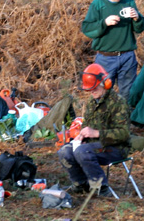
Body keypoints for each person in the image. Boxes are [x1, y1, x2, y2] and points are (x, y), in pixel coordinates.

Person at [57, 64, 130, 197]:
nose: (92, 92)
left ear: (105, 83)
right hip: (93, 145)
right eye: (89, 89)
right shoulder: (92, 102)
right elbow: (87, 126)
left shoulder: (118, 102)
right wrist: (81, 136)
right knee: (65, 151)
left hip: (115, 148)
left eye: (94, 88)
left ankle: (101, 187)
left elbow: (123, 134)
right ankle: (80, 184)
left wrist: (96, 133)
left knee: (82, 151)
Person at [80, 0, 144, 100]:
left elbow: (140, 28)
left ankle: (127, 119)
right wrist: (104, 23)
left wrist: (137, 18)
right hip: (105, 57)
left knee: (128, 93)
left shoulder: (128, 1)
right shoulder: (98, 4)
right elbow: (87, 28)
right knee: (102, 93)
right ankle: (103, 119)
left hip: (127, 56)